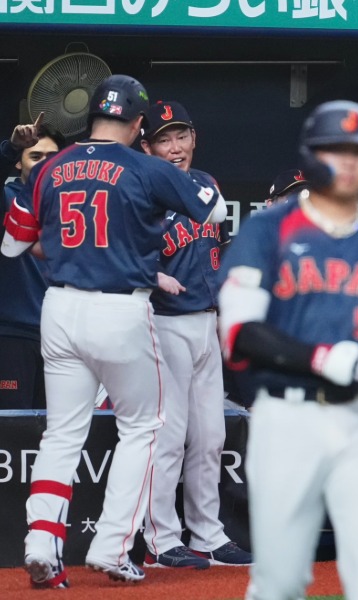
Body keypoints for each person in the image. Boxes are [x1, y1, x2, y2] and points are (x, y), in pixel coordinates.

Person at [1, 74, 227, 588]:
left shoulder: (51, 165)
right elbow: (213, 208)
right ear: (138, 123)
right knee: (143, 427)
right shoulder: (145, 166)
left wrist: (72, 248)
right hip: (121, 308)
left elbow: (13, 244)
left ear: (92, 117)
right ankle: (112, 547)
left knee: (61, 433)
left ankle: (41, 543)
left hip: (59, 307)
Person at [218, 100, 358, 600]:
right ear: (310, 156)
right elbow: (238, 333)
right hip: (288, 414)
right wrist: (323, 359)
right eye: (334, 150)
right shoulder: (267, 230)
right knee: (279, 579)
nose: (347, 162)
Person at [138, 100, 251, 570]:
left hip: (207, 322)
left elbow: (216, 252)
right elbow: (119, 254)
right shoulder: (140, 191)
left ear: (194, 138)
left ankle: (207, 535)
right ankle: (161, 539)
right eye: (163, 139)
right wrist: (150, 276)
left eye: (181, 135)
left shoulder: (206, 184)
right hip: (163, 323)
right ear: (146, 147)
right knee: (168, 436)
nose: (175, 147)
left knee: (210, 436)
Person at [0, 116, 64, 409]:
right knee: (11, 427)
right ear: (19, 162)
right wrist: (11, 147)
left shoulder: (76, 205)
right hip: (14, 337)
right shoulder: (7, 200)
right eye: (35, 156)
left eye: (52, 157)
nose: (44, 165)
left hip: (63, 338)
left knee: (59, 427)